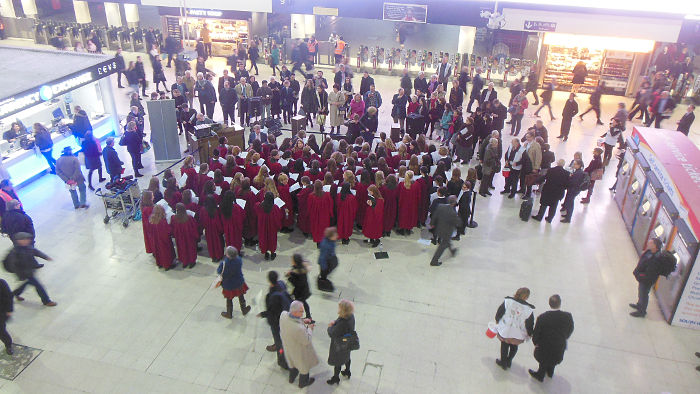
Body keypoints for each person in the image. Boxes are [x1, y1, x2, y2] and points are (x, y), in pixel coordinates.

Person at [529, 294, 575, 382]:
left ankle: (540, 375)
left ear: (549, 303)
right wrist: (564, 337)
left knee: (544, 360)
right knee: (553, 358)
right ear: (560, 303)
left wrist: (536, 342)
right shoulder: (568, 316)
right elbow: (570, 329)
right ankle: (550, 372)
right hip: (559, 345)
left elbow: (536, 333)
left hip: (544, 346)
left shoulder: (543, 317)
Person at [4, 232, 57, 307]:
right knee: (38, 286)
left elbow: (37, 252)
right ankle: (46, 301)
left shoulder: (28, 247)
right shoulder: (15, 252)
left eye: (28, 239)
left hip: (30, 270)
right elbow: (13, 266)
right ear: (18, 241)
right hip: (25, 273)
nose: (27, 240)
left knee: (28, 283)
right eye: (24, 239)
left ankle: (14, 294)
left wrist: (46, 257)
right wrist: (20, 275)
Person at [257, 270, 293, 370]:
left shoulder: (271, 296)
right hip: (286, 317)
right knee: (279, 339)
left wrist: (262, 314)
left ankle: (283, 361)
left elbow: (272, 312)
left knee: (279, 341)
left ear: (269, 280)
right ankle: (277, 345)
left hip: (277, 322)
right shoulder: (281, 284)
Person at [280, 300, 319, 388]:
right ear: (294, 312)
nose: (303, 313)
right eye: (301, 311)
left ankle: (292, 377)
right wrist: (309, 328)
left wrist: (302, 320)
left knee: (292, 364)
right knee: (303, 367)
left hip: (288, 347)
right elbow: (306, 340)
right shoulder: (299, 329)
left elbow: (293, 319)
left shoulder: (283, 314)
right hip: (299, 351)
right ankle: (303, 383)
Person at [494, 287, 535, 370]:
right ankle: (509, 360)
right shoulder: (528, 309)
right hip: (518, 333)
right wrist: (530, 333)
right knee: (514, 346)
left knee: (504, 345)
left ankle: (503, 362)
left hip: (506, 329)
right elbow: (530, 323)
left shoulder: (508, 301)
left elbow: (500, 312)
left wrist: (497, 320)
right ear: (526, 297)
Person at [630, 238, 663, 318]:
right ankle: (639, 305)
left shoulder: (657, 259)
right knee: (641, 291)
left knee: (644, 294)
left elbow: (650, 273)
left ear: (655, 246)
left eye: (650, 243)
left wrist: (640, 276)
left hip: (647, 280)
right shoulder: (650, 251)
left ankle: (642, 312)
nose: (648, 243)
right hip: (642, 277)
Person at [326, 299, 356, 385]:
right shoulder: (351, 316)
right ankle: (347, 371)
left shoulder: (342, 322)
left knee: (338, 361)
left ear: (343, 310)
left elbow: (332, 333)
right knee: (347, 357)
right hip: (348, 342)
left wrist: (330, 326)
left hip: (339, 345)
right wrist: (335, 322)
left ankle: (336, 378)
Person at [217, 246, 251, 319]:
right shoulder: (239, 260)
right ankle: (244, 310)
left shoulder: (224, 263)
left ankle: (229, 314)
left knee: (229, 299)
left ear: (228, 255)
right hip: (239, 282)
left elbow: (219, 271)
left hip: (228, 285)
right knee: (241, 296)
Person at [429, 195, 460, 267]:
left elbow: (435, 216)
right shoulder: (453, 213)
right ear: (454, 203)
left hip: (439, 229)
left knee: (447, 241)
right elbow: (458, 223)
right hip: (447, 231)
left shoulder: (440, 206)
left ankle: (452, 251)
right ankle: (434, 261)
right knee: (442, 246)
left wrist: (432, 224)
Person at [256, 191, 284, 260]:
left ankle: (266, 253)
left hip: (263, 227)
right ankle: (272, 253)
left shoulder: (259, 206)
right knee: (272, 240)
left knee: (264, 239)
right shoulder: (275, 208)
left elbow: (256, 212)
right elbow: (279, 217)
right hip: (272, 228)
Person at [286, 254, 312, 319]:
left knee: (297, 303)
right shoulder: (300, 268)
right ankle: (308, 316)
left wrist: (290, 278)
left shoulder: (299, 272)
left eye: (292, 260)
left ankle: (295, 316)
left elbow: (298, 283)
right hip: (303, 291)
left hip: (301, 292)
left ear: (295, 262)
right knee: (303, 303)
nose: (291, 261)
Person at [0, 277, 13, 355]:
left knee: (1, 330)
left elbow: (9, 296)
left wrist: (9, 310)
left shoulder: (1, 283)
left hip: (1, 311)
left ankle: (8, 345)